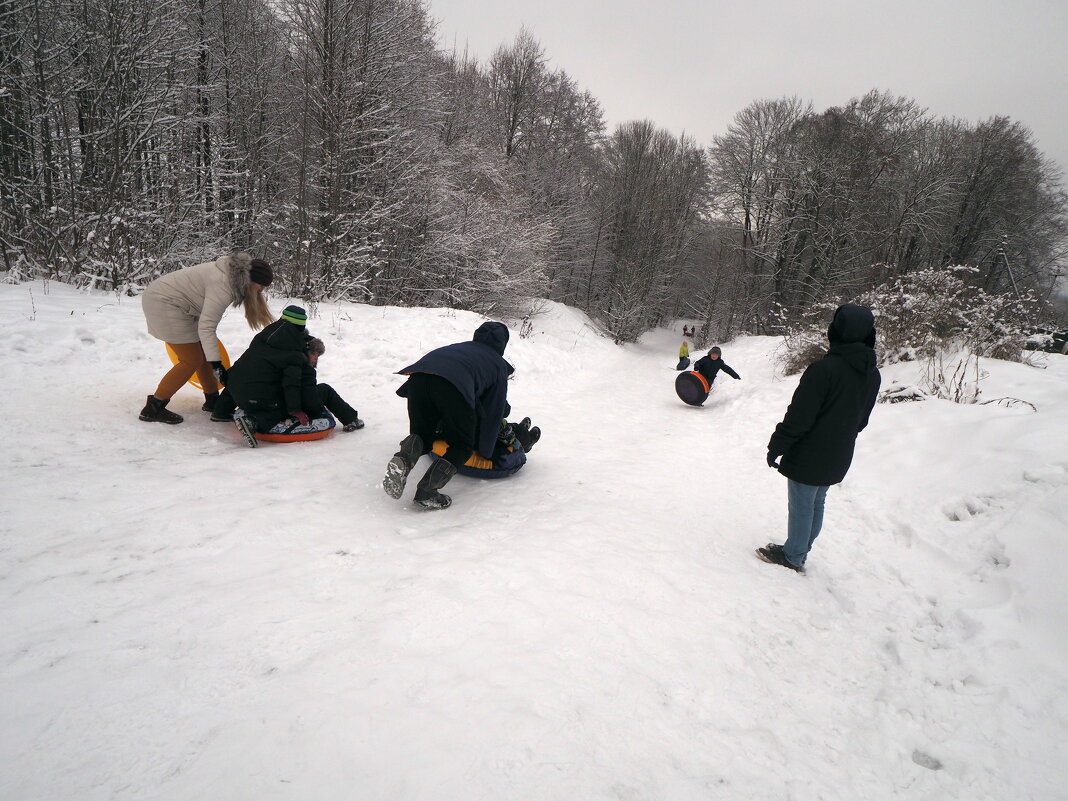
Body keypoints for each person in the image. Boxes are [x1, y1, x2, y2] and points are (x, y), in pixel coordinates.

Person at [758, 304, 881, 573]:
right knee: (816, 501)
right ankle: (799, 549)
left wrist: (777, 445)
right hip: (839, 452)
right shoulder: (872, 374)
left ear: (836, 331)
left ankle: (793, 556)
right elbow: (862, 420)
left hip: (810, 453)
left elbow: (799, 417)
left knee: (803, 503)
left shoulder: (823, 370)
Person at [383, 321, 513, 510]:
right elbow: (494, 411)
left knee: (424, 435)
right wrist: (486, 451)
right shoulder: (497, 364)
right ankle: (427, 492)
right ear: (503, 344)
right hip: (453, 386)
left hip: (419, 377)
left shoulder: (461, 348)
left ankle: (403, 459)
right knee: (461, 445)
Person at [139, 252, 274, 424]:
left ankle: (212, 400)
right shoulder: (224, 285)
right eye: (261, 286)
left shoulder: (232, 277)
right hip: (164, 302)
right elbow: (207, 327)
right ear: (250, 280)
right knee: (191, 360)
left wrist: (214, 362)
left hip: (179, 305)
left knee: (201, 354)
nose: (261, 291)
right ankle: (153, 408)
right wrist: (217, 365)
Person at [211, 306, 362, 444]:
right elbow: (294, 386)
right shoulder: (297, 354)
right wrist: (302, 410)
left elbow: (245, 369)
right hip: (263, 401)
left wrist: (222, 406)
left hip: (237, 392)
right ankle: (351, 419)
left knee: (245, 380)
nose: (316, 360)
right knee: (324, 390)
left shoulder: (263, 338)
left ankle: (221, 411)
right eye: (316, 355)